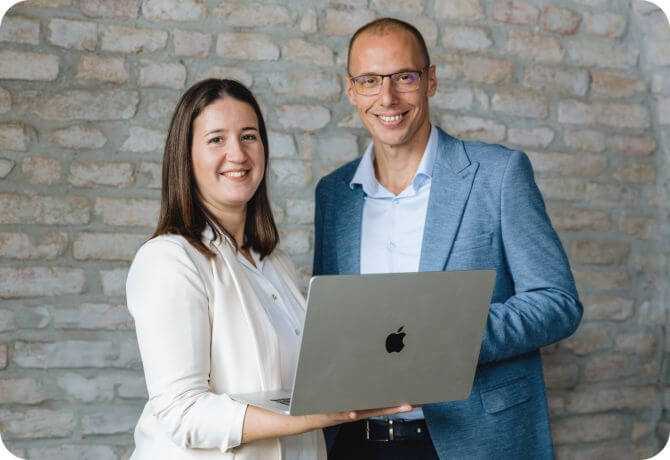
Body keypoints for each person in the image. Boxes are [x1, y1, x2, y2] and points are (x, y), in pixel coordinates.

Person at [313, 18, 583, 459]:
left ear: (430, 80)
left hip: (472, 441)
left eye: (404, 77)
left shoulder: (498, 175)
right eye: (369, 80)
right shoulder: (333, 194)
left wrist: (451, 336)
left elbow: (557, 302)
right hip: (354, 442)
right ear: (351, 90)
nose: (387, 97)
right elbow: (333, 317)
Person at [126, 78, 412, 459]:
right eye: (216, 139)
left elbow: (300, 382)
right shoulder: (169, 260)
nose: (237, 154)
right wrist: (318, 416)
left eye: (249, 136)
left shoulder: (274, 262)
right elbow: (183, 412)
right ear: (186, 157)